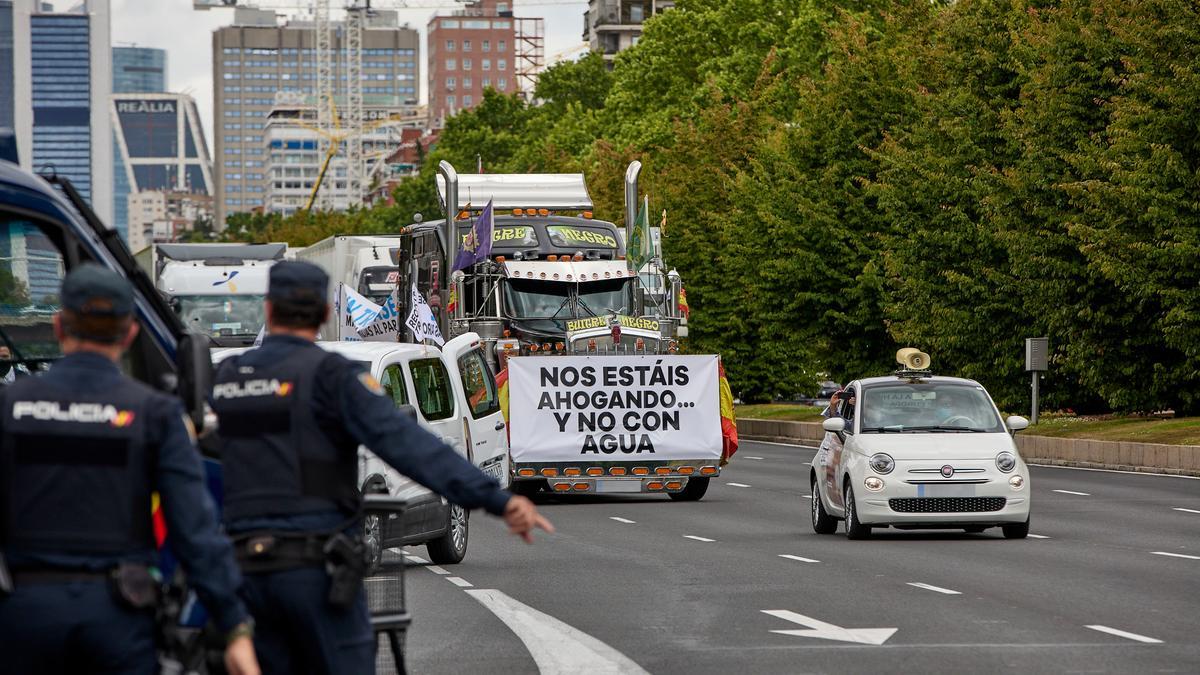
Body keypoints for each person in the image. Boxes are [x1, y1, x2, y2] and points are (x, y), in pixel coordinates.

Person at [211, 261, 554, 674]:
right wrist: (497, 500)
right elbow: (411, 447)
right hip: (316, 575)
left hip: (241, 578)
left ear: (267, 311)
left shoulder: (226, 378)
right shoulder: (334, 377)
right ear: (324, 314)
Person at [0, 263, 258, 675]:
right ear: (131, 332)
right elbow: (196, 531)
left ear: (58, 326)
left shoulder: (10, 407)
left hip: (24, 617)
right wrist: (234, 626)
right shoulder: (155, 413)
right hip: (119, 618)